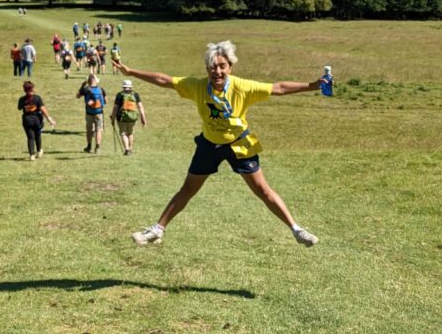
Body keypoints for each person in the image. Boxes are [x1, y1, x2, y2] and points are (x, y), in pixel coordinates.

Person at [121, 41, 320, 247]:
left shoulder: (242, 86)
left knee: (262, 190)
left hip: (239, 144)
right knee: (188, 188)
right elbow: (164, 79)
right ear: (207, 69)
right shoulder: (197, 86)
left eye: (222, 66)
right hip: (209, 144)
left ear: (230, 67)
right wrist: (130, 71)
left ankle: (297, 230)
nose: (217, 71)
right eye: (212, 67)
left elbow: (278, 87)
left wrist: (313, 85)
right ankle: (157, 230)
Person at [17, 81, 55, 161]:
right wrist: (49, 119)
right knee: (38, 135)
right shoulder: (37, 98)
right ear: (32, 89)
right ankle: (39, 151)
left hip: (27, 120)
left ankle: (31, 155)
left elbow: (19, 108)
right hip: (37, 119)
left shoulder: (22, 99)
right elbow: (43, 109)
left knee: (30, 137)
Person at [111, 78, 146, 156]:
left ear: (123, 87)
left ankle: (126, 149)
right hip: (132, 117)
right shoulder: (135, 95)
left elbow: (116, 107)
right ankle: (130, 148)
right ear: (131, 87)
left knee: (123, 133)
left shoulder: (120, 95)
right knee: (130, 133)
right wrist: (143, 118)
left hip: (121, 118)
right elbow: (140, 107)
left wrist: (112, 117)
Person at [76, 72, 107, 154]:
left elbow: (78, 96)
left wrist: (82, 86)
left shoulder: (86, 89)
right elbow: (105, 101)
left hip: (89, 112)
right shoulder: (101, 89)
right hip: (99, 112)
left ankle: (89, 146)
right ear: (96, 81)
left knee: (89, 130)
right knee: (98, 130)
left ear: (88, 81)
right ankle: (97, 147)